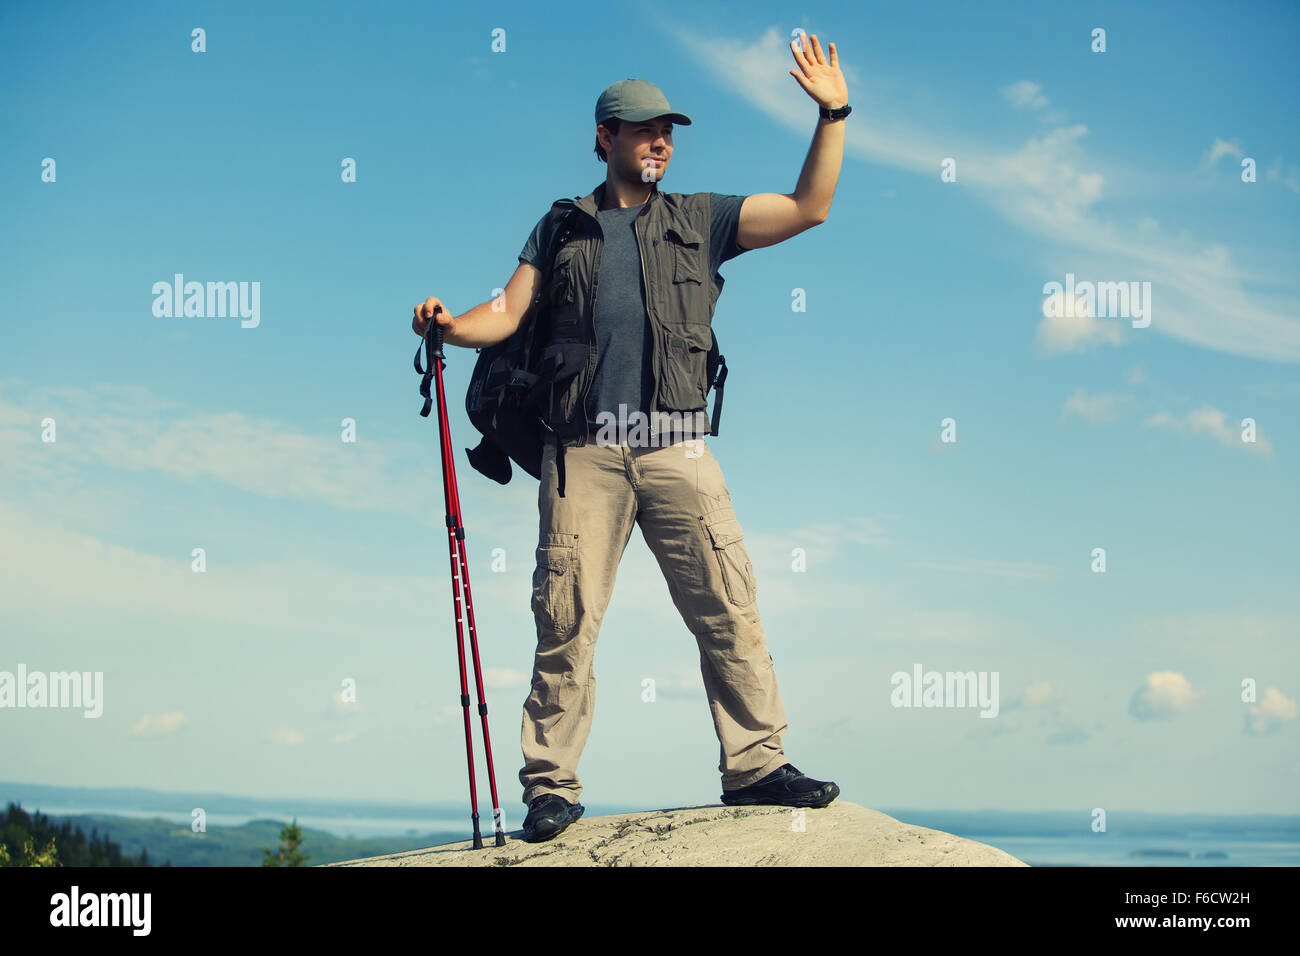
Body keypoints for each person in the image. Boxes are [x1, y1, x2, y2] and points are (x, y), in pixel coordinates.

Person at [413, 33, 851, 843]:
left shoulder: (702, 220)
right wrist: (448, 327)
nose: (661, 142)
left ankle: (755, 766)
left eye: (669, 131)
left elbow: (809, 208)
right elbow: (505, 313)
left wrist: (833, 112)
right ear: (604, 137)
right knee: (566, 619)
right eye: (645, 129)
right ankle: (551, 786)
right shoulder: (562, 228)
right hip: (582, 453)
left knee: (728, 606)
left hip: (678, 446)